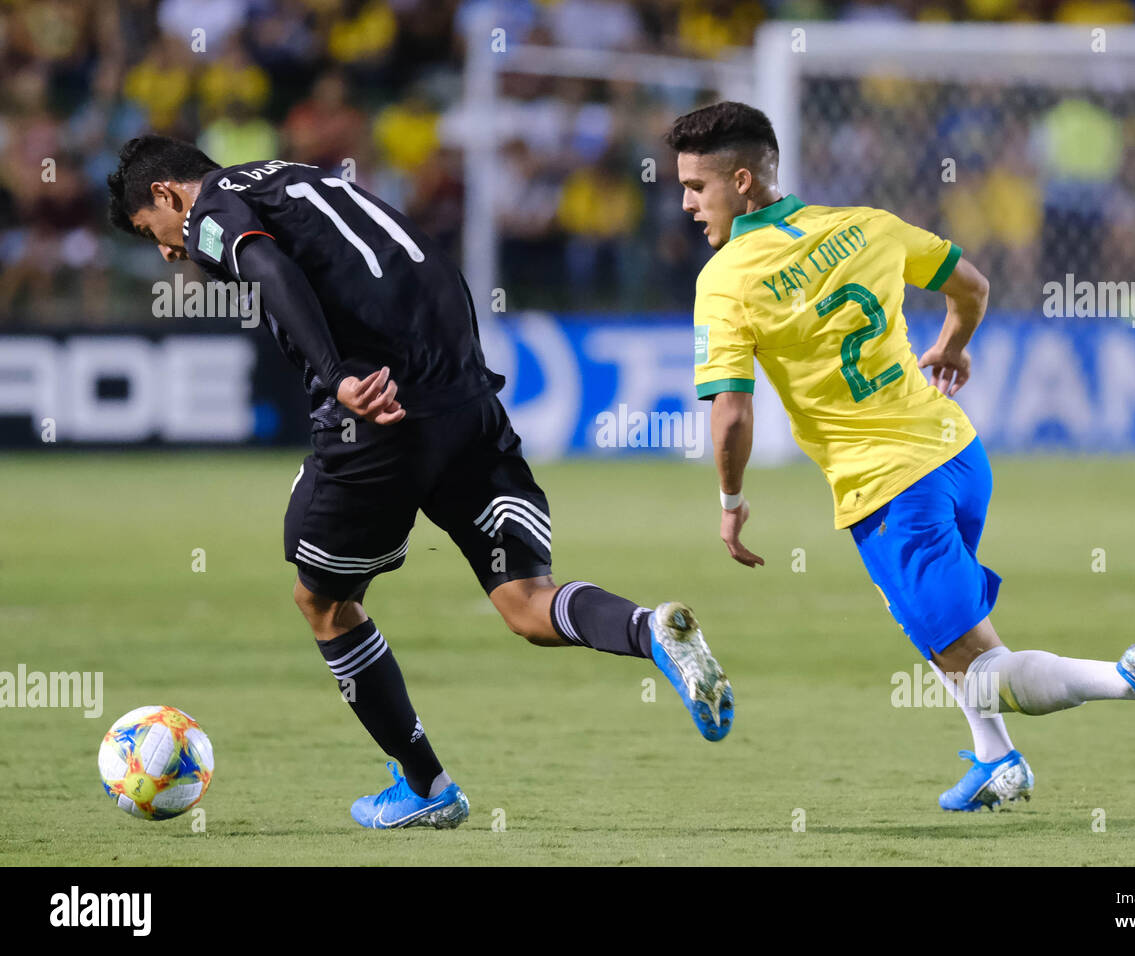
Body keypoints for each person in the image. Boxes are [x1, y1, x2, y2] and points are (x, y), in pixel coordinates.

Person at [106, 135, 734, 829]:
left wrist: (340, 373)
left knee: (323, 604)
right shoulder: (300, 177)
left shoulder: (216, 208)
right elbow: (414, 252)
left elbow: (267, 269)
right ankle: (650, 632)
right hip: (465, 399)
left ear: (167, 195)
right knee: (528, 602)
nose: (168, 251)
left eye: (151, 232)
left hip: (380, 412)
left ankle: (428, 787)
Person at [667, 102, 1135, 812]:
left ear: (743, 181)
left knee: (980, 666)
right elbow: (973, 285)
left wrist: (729, 501)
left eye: (696, 187)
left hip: (891, 491)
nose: (687, 203)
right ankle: (998, 762)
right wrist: (954, 345)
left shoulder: (724, 281)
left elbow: (732, 414)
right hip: (958, 454)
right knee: (932, 625)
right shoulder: (866, 224)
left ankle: (1128, 676)